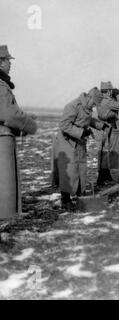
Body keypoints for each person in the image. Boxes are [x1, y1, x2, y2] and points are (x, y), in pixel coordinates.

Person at [52, 87, 106, 210]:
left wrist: (101, 125)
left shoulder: (86, 107)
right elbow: (64, 125)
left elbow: (87, 119)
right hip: (67, 141)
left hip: (79, 141)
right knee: (69, 171)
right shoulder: (73, 106)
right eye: (94, 103)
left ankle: (80, 195)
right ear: (89, 98)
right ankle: (65, 200)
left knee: (81, 168)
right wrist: (81, 132)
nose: (94, 107)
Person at [0, 45, 38, 222]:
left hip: (5, 135)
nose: (10, 63)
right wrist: (30, 124)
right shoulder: (1, 85)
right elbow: (9, 114)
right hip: (2, 138)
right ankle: (6, 217)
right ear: (0, 62)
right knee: (5, 179)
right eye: (8, 60)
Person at [96, 81, 119, 186]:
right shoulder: (108, 102)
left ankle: (105, 175)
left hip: (104, 128)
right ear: (109, 91)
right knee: (106, 152)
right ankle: (101, 178)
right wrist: (118, 94)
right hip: (107, 128)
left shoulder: (101, 101)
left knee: (104, 151)